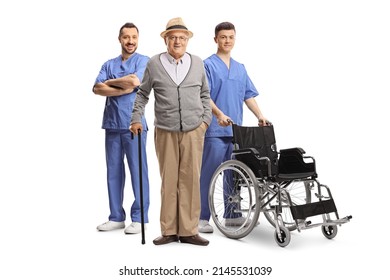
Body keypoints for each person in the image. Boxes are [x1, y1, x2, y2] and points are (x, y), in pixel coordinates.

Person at [130, 17, 212, 246]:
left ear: (187, 41)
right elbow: (143, 94)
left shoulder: (197, 63)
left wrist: (204, 121)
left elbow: (205, 94)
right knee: (169, 180)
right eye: (173, 37)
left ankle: (188, 231)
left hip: (194, 129)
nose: (177, 41)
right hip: (165, 130)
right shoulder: (154, 64)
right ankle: (169, 230)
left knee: (190, 180)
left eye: (182, 38)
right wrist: (136, 118)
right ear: (166, 40)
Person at [198, 22, 269, 233]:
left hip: (236, 132)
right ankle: (201, 218)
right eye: (223, 37)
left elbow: (248, 95)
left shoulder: (240, 68)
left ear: (235, 39)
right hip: (215, 131)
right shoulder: (207, 65)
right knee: (209, 174)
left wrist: (260, 116)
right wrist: (219, 114)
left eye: (230, 37)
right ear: (215, 39)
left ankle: (232, 215)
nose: (227, 41)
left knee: (235, 175)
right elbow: (204, 95)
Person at [93, 22, 150, 234]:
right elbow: (97, 88)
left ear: (138, 38)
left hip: (133, 124)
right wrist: (123, 87)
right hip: (112, 123)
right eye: (126, 37)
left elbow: (135, 80)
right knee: (113, 172)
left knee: (138, 170)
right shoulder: (109, 63)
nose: (130, 41)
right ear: (120, 39)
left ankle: (140, 217)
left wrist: (111, 84)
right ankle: (116, 217)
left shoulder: (144, 61)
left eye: (134, 37)